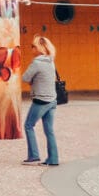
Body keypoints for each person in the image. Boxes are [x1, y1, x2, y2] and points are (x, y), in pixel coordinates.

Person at [21, 35, 59, 166]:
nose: (31, 49)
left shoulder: (37, 62)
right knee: (49, 130)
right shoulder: (51, 61)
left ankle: (33, 156)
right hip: (52, 100)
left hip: (41, 100)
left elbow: (25, 78)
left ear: (39, 48)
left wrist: (32, 80)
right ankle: (53, 159)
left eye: (33, 46)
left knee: (28, 125)